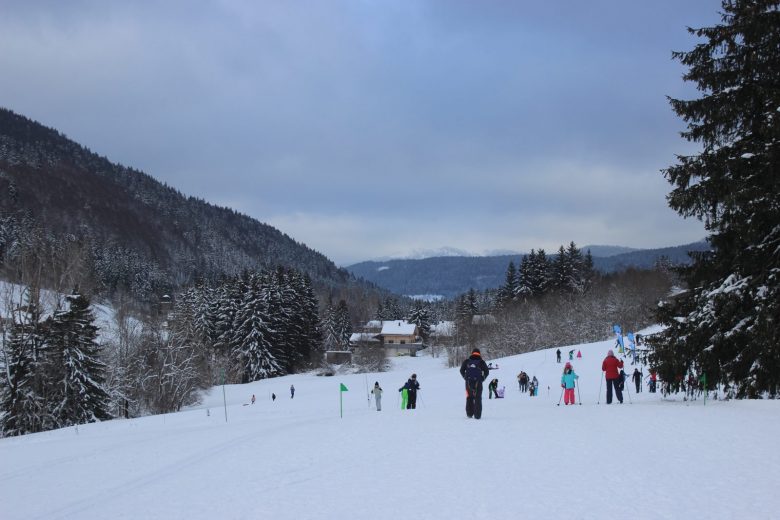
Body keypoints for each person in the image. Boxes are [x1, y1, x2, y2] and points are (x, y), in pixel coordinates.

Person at [460, 347, 490, 419]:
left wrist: (465, 377)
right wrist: (482, 379)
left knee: (469, 397)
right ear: (479, 353)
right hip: (478, 383)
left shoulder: (467, 361)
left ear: (472, 353)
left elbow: (461, 370)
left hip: (468, 383)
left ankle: (469, 414)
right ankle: (477, 416)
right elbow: (487, 371)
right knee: (478, 398)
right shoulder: (481, 362)